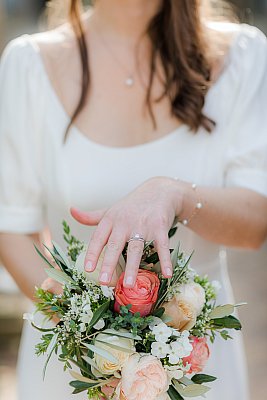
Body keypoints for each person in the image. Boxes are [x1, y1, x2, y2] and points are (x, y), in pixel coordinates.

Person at [0, 0, 267, 399]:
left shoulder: (244, 56)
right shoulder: (29, 65)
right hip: (74, 370)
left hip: (197, 365)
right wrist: (96, 337)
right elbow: (11, 229)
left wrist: (174, 194)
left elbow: (256, 221)